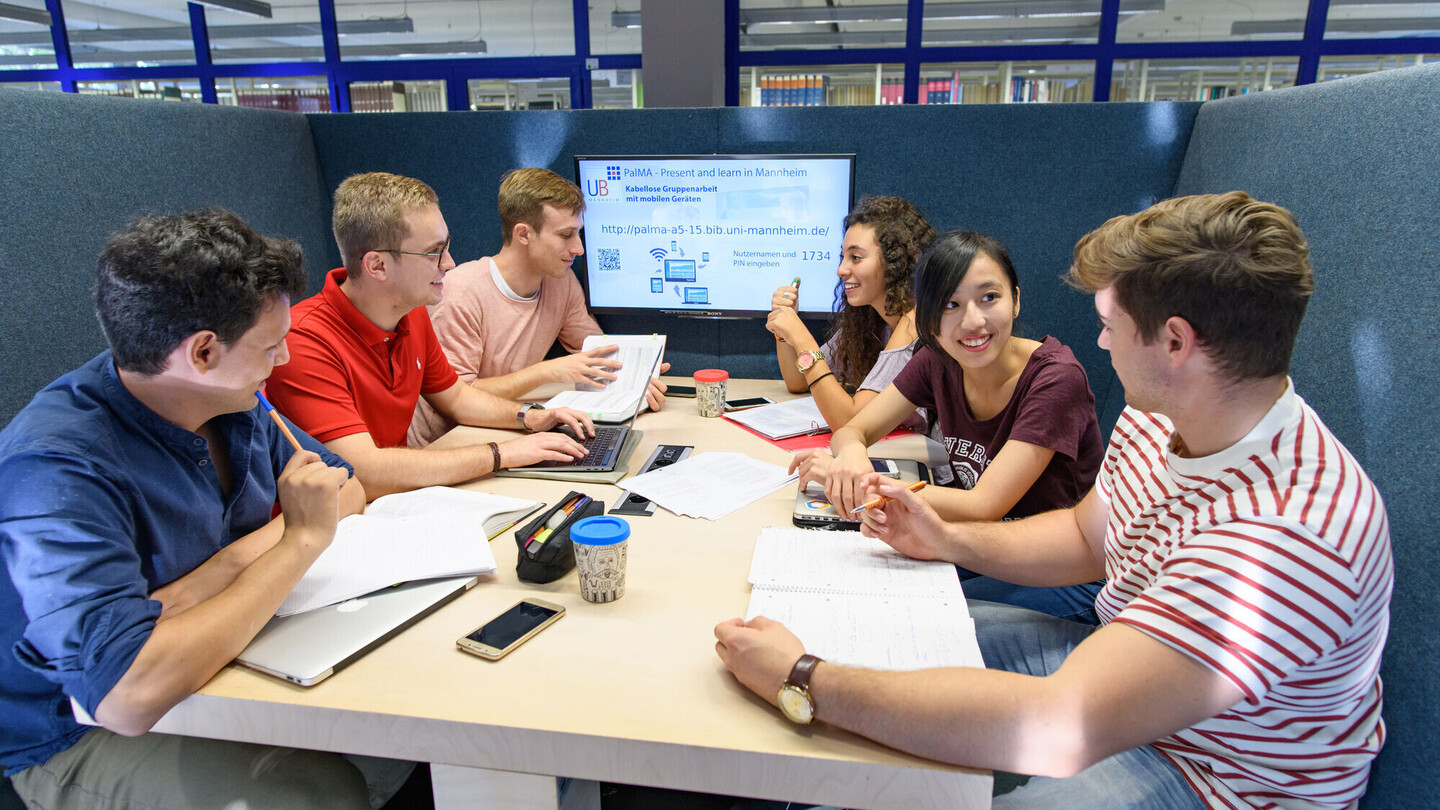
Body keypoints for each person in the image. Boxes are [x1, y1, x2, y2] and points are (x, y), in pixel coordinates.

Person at [715, 192, 1393, 810]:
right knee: (866, 641)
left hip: (1216, 773)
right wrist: (944, 539)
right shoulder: (1169, 414)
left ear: (1177, 343)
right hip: (1113, 654)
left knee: (838, 699)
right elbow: (1083, 537)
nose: (1099, 342)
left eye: (1110, 323)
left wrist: (805, 678)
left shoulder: (1287, 537)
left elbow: (1056, 725)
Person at [0, 209, 410, 809]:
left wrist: (207, 582)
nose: (287, 359)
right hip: (64, 731)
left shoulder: (234, 400)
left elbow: (342, 487)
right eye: (273, 344)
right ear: (203, 353)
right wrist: (295, 542)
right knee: (319, 797)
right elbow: (127, 694)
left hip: (212, 664)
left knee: (401, 734)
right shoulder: (56, 470)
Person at [264, 171, 595, 499]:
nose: (449, 263)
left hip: (393, 498)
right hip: (333, 522)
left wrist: (532, 418)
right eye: (433, 252)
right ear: (377, 266)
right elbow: (364, 471)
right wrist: (503, 453)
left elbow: (457, 398)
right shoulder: (302, 341)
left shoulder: (413, 312)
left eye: (446, 247)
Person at [409, 167, 668, 446]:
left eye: (578, 233)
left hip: (509, 431)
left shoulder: (561, 281)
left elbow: (596, 352)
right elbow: (458, 395)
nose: (578, 248)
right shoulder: (460, 294)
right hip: (447, 443)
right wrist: (548, 371)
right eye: (566, 235)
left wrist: (636, 377)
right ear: (523, 234)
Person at [766, 194, 936, 433]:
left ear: (895, 262)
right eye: (842, 257)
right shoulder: (871, 319)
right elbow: (797, 381)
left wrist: (802, 337)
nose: (841, 269)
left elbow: (851, 423)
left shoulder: (913, 324)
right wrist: (785, 331)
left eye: (856, 257)